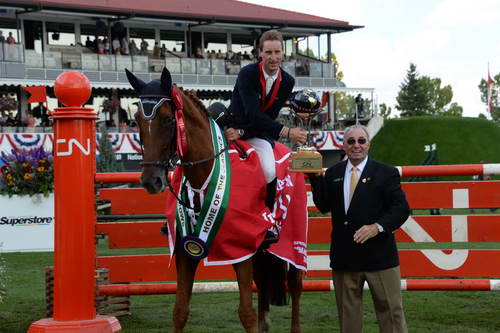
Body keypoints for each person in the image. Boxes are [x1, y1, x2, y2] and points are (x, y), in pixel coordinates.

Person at [309, 125, 410, 333]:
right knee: (348, 317)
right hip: (345, 257)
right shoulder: (334, 172)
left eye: (361, 141)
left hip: (380, 256)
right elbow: (323, 205)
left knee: (391, 312)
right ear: (343, 145)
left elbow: (402, 209)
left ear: (368, 144)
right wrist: (315, 177)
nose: (356, 145)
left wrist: (377, 227)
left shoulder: (386, 172)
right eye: (351, 141)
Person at [220, 29, 307, 209]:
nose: (273, 57)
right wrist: (287, 132)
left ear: (283, 52)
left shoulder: (288, 81)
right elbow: (252, 114)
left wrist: (243, 132)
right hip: (229, 126)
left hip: (254, 132)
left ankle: (268, 217)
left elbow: (268, 118)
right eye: (268, 52)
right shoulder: (247, 73)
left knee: (269, 169)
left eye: (277, 52)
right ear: (260, 53)